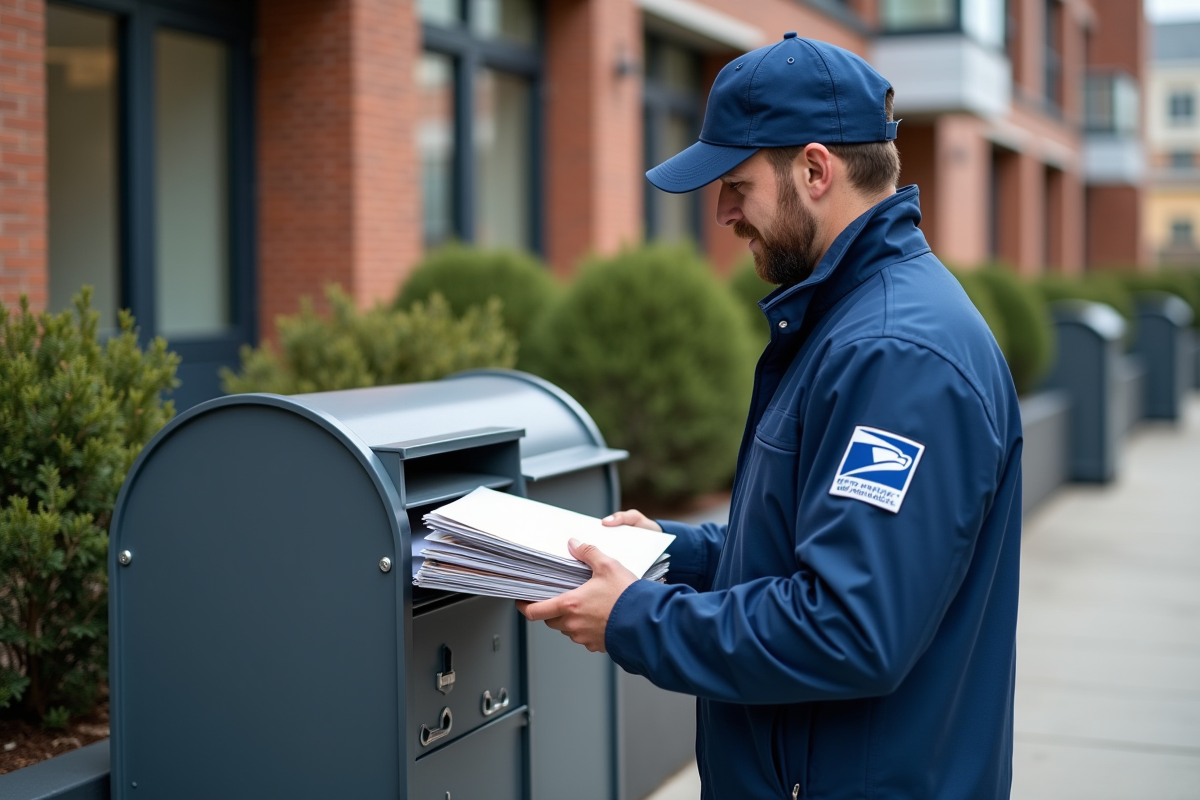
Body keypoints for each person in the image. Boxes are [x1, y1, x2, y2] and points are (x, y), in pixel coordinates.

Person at [518, 33, 1022, 800]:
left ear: (815, 171)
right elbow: (813, 544)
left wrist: (637, 618)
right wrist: (674, 555)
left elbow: (848, 627)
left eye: (737, 183)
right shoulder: (850, 324)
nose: (723, 211)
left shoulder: (896, 356)